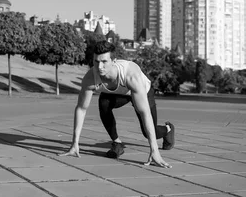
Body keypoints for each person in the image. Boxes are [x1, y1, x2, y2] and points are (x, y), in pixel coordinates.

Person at [60, 40, 174, 168]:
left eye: (104, 62)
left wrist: (155, 151)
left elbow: (144, 112)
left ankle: (167, 129)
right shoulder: (90, 78)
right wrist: (75, 143)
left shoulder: (131, 74)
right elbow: (81, 109)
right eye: (96, 62)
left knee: (147, 131)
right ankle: (117, 143)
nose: (99, 67)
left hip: (142, 91)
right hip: (118, 93)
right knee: (104, 103)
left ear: (114, 61)